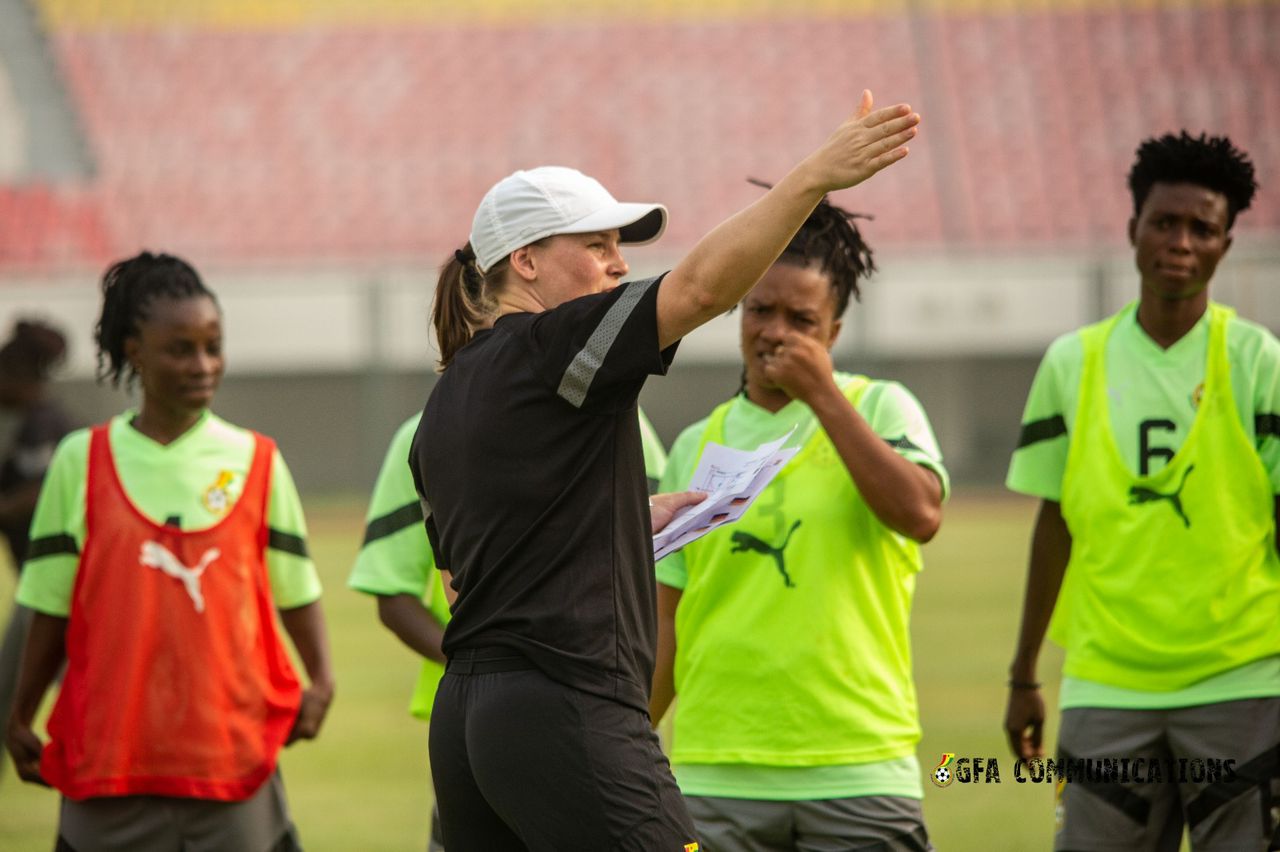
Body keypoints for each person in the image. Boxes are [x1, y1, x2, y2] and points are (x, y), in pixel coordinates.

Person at [413, 91, 920, 850]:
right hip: (565, 702)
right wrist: (814, 177)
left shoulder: (448, 395)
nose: (620, 265)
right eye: (597, 244)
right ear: (524, 261)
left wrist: (622, 519)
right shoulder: (552, 347)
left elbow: (477, 569)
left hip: (470, 716)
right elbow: (702, 291)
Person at [5, 252, 335, 852]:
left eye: (213, 346)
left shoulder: (257, 459)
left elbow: (295, 589)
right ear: (134, 351)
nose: (203, 365)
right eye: (180, 349)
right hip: (108, 762)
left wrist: (323, 680)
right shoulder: (80, 460)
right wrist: (21, 711)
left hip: (230, 762)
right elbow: (49, 606)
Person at [1004, 132, 1278, 851]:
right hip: (1105, 686)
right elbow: (1052, 524)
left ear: (1225, 243)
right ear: (1132, 230)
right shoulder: (1073, 362)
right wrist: (1024, 674)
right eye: (1164, 223)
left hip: (1242, 684)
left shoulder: (1257, 362)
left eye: (1202, 228)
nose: (1181, 242)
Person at [649, 191, 947, 851]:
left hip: (859, 767)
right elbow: (666, 617)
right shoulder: (698, 444)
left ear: (834, 332)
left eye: (801, 319)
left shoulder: (886, 409)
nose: (775, 331)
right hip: (715, 773)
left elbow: (921, 514)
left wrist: (822, 396)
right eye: (759, 310)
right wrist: (632, 743)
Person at [349, 406, 668, 851]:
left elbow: (655, 572)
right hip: (477, 725)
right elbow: (392, 595)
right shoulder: (430, 432)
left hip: (595, 711)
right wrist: (497, 660)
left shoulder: (616, 414)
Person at [0, 320, 76, 782]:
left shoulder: (55, 428)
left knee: (83, 694)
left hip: (63, 587)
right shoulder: (23, 429)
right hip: (37, 584)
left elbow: (43, 492)